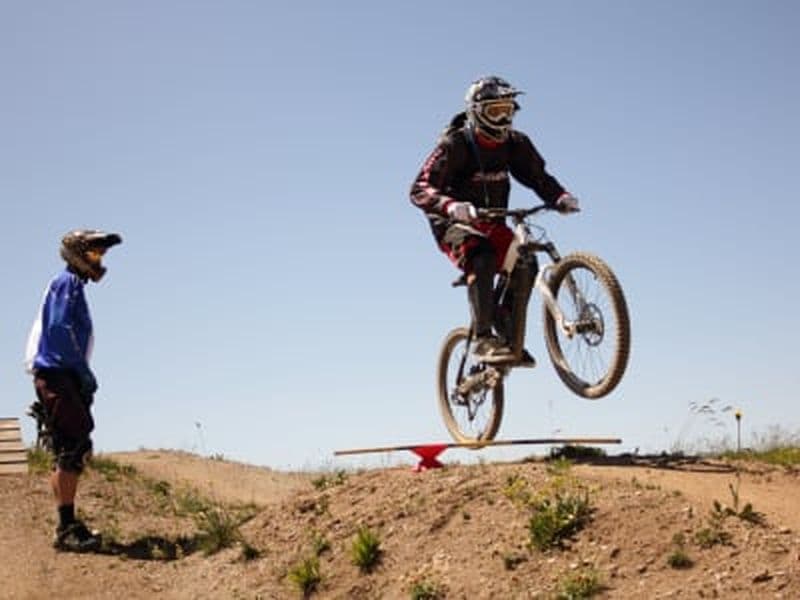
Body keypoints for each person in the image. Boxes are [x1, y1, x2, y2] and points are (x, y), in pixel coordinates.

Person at [410, 75, 579, 363]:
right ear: (476, 111)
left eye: (507, 111)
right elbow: (419, 188)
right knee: (482, 256)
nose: (502, 119)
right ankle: (482, 339)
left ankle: (509, 336)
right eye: (495, 111)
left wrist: (560, 197)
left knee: (526, 263)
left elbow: (538, 178)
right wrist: (450, 205)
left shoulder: (515, 143)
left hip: (492, 221)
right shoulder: (456, 144)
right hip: (452, 223)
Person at [25, 229, 122, 552]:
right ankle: (66, 528)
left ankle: (66, 524)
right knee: (74, 446)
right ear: (77, 254)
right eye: (94, 253)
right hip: (58, 372)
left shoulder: (71, 285)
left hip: (58, 373)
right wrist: (80, 370)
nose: (99, 259)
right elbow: (59, 329)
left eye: (101, 254)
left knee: (67, 448)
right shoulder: (66, 283)